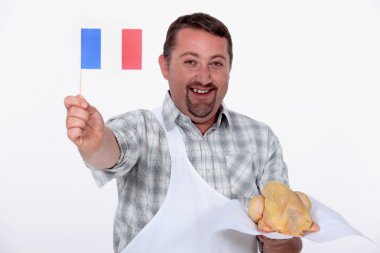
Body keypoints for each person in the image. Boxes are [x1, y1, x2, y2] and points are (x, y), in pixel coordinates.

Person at [64, 12, 304, 253]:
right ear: (165, 66)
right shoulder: (141, 127)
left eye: (216, 63)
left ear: (229, 68)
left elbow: (287, 246)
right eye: (191, 62)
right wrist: (94, 144)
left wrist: (280, 239)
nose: (204, 77)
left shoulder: (260, 140)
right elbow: (109, 153)